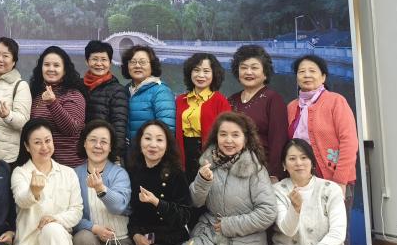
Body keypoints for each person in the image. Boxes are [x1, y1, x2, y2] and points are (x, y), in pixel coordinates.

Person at [184, 112, 275, 245]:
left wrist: (229, 225)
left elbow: (267, 213)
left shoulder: (256, 170)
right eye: (223, 134)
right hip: (209, 241)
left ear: (245, 139)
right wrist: (202, 181)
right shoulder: (208, 164)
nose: (228, 140)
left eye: (235, 135)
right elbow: (195, 202)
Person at [288, 54, 359, 230]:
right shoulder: (291, 107)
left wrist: (340, 181)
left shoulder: (336, 101)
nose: (306, 75)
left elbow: (349, 142)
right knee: (309, 231)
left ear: (323, 77)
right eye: (301, 71)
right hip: (303, 181)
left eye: (312, 71)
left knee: (336, 232)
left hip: (334, 178)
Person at [266, 138, 347, 245]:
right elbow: (287, 230)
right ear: (284, 164)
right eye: (292, 159)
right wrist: (295, 209)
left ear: (312, 162)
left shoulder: (331, 189)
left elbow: (338, 234)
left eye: (304, 158)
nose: (298, 163)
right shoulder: (277, 191)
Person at [11, 118, 83, 245]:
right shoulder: (20, 173)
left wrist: (55, 219)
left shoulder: (68, 173)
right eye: (37, 142)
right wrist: (34, 192)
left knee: (52, 229)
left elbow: (77, 211)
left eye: (48, 141)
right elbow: (21, 200)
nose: (44, 147)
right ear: (27, 147)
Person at [126, 119, 194, 245]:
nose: (153, 145)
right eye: (148, 138)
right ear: (140, 141)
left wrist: (157, 202)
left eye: (159, 140)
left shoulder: (175, 173)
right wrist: (135, 235)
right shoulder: (134, 171)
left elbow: (185, 215)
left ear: (167, 144)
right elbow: (133, 213)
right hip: (143, 242)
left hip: (172, 242)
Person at [228, 45, 289, 180]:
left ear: (265, 73)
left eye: (254, 68)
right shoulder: (231, 100)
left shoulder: (273, 99)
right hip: (232, 172)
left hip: (262, 173)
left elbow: (278, 142)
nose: (248, 72)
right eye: (244, 67)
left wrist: (274, 175)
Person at [72, 120, 130, 245]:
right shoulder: (74, 174)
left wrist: (100, 189)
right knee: (83, 239)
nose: (98, 145)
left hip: (117, 240)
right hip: (89, 237)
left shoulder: (119, 173)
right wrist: (94, 228)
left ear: (110, 147)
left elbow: (118, 207)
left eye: (104, 142)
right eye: (93, 140)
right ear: (84, 143)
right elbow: (70, 214)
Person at [175, 53, 232, 182]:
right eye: (196, 70)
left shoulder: (220, 101)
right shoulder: (180, 100)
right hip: (184, 152)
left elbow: (226, 132)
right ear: (190, 73)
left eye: (206, 71)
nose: (201, 75)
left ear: (214, 74)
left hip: (209, 154)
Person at [29, 45, 87, 167]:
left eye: (56, 65)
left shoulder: (73, 94)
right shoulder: (37, 94)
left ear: (65, 70)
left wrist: (53, 103)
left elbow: (72, 129)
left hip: (69, 166)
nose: (51, 69)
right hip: (42, 164)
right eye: (46, 65)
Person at [82, 40, 129, 161]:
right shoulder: (78, 85)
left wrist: (115, 154)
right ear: (87, 61)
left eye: (103, 59)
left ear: (110, 62)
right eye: (95, 59)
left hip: (103, 151)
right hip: (80, 150)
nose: (99, 64)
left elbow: (119, 126)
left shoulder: (117, 90)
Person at [123, 45, 175, 143]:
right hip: (128, 150)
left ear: (152, 66)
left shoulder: (161, 91)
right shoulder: (125, 90)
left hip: (150, 149)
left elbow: (167, 129)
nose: (137, 66)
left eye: (142, 62)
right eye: (133, 62)